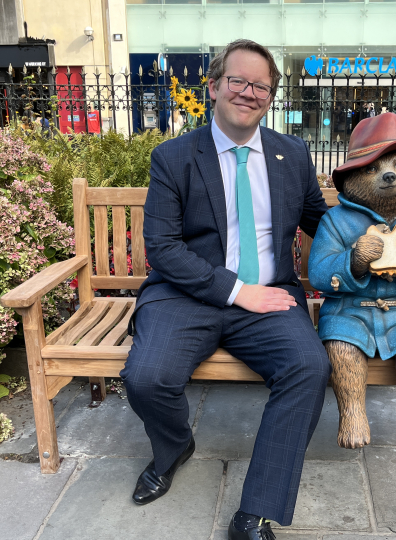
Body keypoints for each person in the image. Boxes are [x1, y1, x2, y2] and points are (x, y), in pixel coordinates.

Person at [119, 39, 331, 540]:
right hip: (185, 293)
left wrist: (379, 238)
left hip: (270, 296)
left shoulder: (291, 154)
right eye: (238, 80)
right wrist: (237, 292)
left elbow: (320, 221)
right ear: (213, 86)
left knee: (309, 367)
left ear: (270, 97)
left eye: (261, 85)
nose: (249, 92)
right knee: (146, 377)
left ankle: (255, 510)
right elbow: (164, 248)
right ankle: (174, 447)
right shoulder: (174, 157)